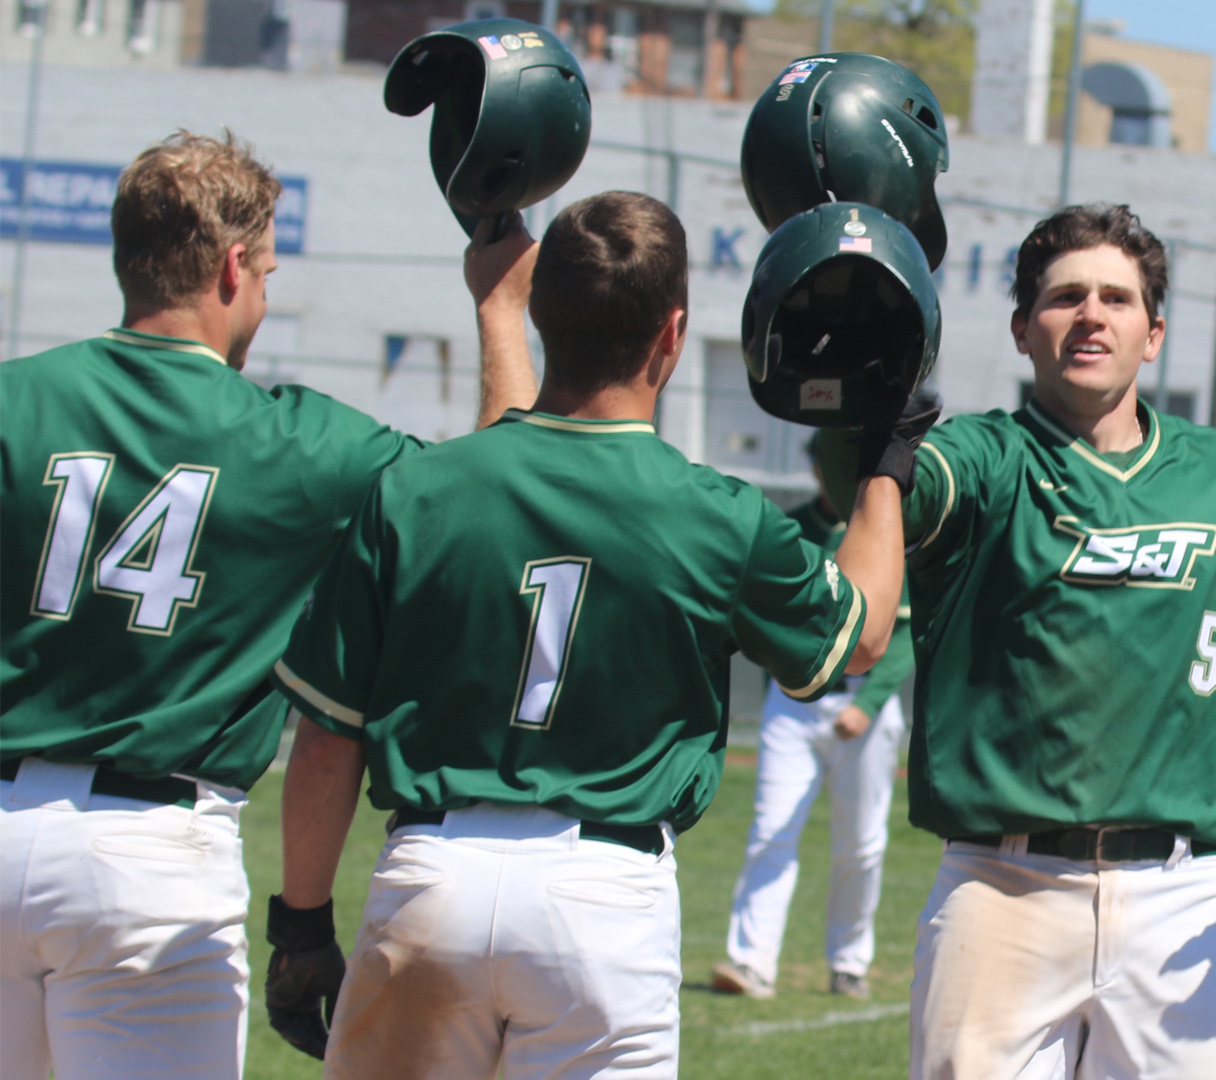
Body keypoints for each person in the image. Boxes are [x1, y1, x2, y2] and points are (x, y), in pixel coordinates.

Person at [265, 191, 920, 1078]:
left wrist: (301, 924)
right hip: (603, 898)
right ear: (674, 332)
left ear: (543, 316)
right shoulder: (720, 517)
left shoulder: (418, 491)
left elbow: (326, 739)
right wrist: (885, 454)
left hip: (433, 872)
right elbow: (860, 636)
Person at [823, 203, 1216, 1079]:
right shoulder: (984, 460)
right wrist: (862, 418)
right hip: (1001, 889)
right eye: (1064, 299)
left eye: (1117, 299)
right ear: (1022, 330)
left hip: (1181, 895)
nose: (1092, 315)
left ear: (1154, 332)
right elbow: (890, 484)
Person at [0, 130, 529, 1080]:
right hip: (146, 858)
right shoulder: (299, 444)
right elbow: (498, 497)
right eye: (269, 270)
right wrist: (500, 307)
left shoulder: (12, 400)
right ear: (235, 265)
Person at [713, 441, 915, 1002]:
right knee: (771, 830)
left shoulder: (888, 530)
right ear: (816, 468)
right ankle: (749, 961)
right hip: (795, 701)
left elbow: (902, 635)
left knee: (862, 844)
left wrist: (867, 704)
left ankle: (849, 963)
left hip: (864, 710)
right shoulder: (791, 529)